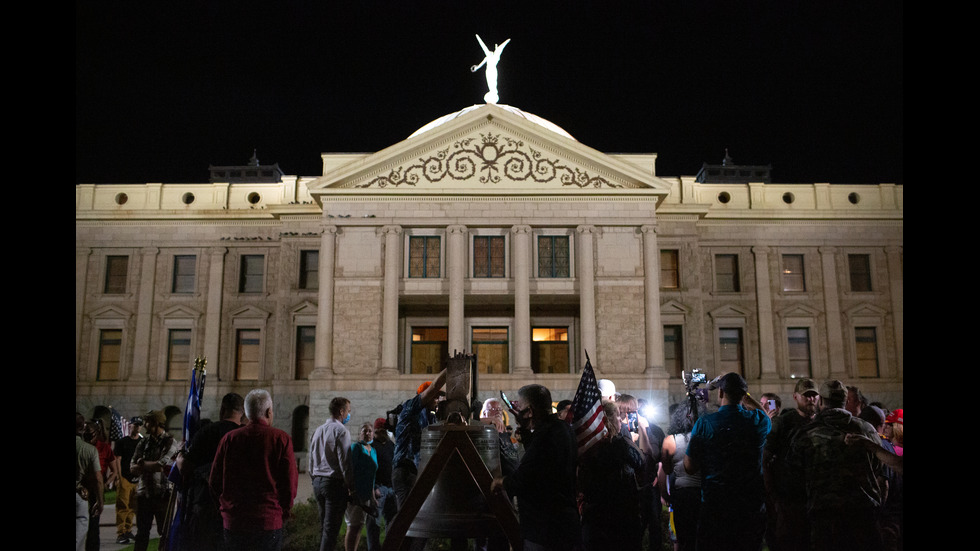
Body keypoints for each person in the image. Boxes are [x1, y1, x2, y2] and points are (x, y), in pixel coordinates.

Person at [788, 380, 885, 551]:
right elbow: (879, 467)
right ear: (845, 401)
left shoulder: (805, 434)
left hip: (825, 518)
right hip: (863, 515)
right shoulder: (867, 429)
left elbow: (794, 477)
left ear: (821, 401)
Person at [684, 372, 770, 551]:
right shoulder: (758, 421)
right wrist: (745, 394)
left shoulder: (705, 423)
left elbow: (689, 466)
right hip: (750, 504)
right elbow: (765, 414)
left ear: (721, 393)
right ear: (743, 395)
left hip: (716, 503)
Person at [490, 384, 582, 551]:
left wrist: (501, 482)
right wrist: (525, 432)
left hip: (545, 528)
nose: (520, 412)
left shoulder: (545, 435)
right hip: (566, 524)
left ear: (530, 411)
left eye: (521, 407)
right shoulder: (561, 429)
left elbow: (526, 478)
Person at [209, 389, 298, 551]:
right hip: (267, 521)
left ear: (247, 413)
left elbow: (214, 480)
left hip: (235, 521)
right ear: (268, 412)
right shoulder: (280, 439)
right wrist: (283, 511)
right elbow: (289, 483)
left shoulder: (229, 439)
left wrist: (225, 508)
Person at [578, 400, 648, 551]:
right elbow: (641, 461)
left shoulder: (586, 446)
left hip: (595, 517)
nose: (621, 420)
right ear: (608, 420)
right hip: (621, 516)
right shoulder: (620, 443)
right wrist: (631, 441)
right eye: (618, 416)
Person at [182, 392, 245, 551]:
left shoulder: (206, 432)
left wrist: (179, 459)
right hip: (236, 506)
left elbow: (186, 468)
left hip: (205, 504)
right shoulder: (245, 436)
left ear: (222, 409)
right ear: (242, 413)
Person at [392, 370, 448, 551]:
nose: (437, 400)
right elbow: (433, 388)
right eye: (435, 397)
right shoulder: (411, 407)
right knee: (407, 521)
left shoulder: (429, 418)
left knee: (420, 523)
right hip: (404, 470)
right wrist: (451, 369)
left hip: (415, 473)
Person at [763, 378, 819, 551]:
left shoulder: (823, 422)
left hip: (817, 501)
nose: (810, 399)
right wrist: (773, 498)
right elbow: (764, 460)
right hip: (789, 502)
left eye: (813, 396)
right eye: (806, 396)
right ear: (795, 397)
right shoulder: (783, 423)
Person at [310, 396, 354, 551]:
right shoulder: (341, 431)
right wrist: (351, 485)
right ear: (341, 412)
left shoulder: (318, 430)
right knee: (331, 531)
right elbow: (345, 463)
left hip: (317, 482)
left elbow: (311, 459)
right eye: (348, 411)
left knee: (324, 528)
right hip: (334, 484)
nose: (349, 414)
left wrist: (314, 479)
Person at [477, 397, 522, 551]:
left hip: (507, 492)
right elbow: (471, 423)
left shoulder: (503, 431)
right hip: (490, 494)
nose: (496, 412)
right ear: (483, 412)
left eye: (499, 410)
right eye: (492, 409)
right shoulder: (482, 429)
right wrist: (487, 421)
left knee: (501, 540)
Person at [131, 410, 179, 551]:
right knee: (142, 533)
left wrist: (142, 464)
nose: (144, 425)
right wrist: (145, 465)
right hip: (144, 493)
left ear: (156, 423)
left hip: (162, 494)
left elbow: (162, 465)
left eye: (147, 422)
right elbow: (132, 466)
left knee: (164, 533)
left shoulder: (169, 441)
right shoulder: (144, 442)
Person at [660, 400, 703, 551]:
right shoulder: (706, 438)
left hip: (682, 493)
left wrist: (665, 494)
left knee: (683, 537)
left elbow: (666, 469)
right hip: (703, 492)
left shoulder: (670, 441)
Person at [83, 418, 119, 551]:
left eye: (90, 432)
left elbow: (114, 471)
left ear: (97, 433)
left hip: (96, 489)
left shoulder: (104, 448)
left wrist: (106, 483)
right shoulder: (82, 445)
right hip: (82, 487)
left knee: (93, 525)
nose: (87, 435)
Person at [345, 422, 379, 551]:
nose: (367, 433)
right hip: (355, 494)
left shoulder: (373, 451)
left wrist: (372, 496)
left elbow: (372, 475)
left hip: (366, 495)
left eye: (370, 431)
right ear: (360, 433)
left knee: (359, 526)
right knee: (353, 526)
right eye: (365, 431)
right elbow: (350, 470)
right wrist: (351, 491)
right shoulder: (356, 448)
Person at [366, 417, 397, 551]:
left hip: (391, 489)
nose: (382, 431)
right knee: (374, 523)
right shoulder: (371, 446)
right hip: (378, 489)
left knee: (392, 522)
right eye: (380, 429)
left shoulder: (391, 445)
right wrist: (372, 489)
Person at [114, 416, 143, 544]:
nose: (137, 427)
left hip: (137, 479)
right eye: (135, 424)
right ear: (130, 425)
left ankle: (128, 529)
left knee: (133, 507)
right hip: (125, 478)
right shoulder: (122, 442)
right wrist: (119, 477)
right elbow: (117, 460)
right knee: (122, 506)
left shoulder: (143, 442)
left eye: (139, 425)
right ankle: (121, 533)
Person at [77, 412, 103, 551]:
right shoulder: (89, 450)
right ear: (82, 428)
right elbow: (98, 478)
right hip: (82, 494)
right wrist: (100, 501)